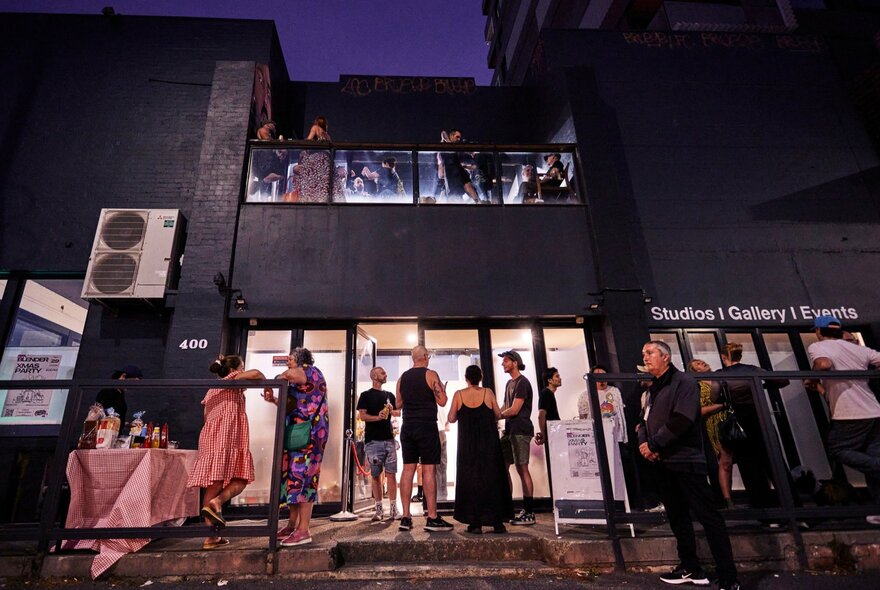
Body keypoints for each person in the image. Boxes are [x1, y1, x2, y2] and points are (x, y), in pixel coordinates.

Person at [639, 341, 740, 590]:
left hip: (686, 461)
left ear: (665, 356)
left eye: (650, 353)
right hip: (663, 462)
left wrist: (654, 444)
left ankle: (728, 577)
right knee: (677, 517)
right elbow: (642, 421)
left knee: (708, 516)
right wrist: (645, 443)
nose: (645, 357)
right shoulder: (653, 389)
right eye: (644, 354)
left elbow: (683, 419)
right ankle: (690, 567)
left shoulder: (683, 382)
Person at [187, 355, 269, 550]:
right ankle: (217, 502)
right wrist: (267, 384)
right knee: (241, 478)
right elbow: (257, 374)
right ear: (236, 369)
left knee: (214, 484)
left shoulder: (212, 390)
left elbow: (206, 417)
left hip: (209, 437)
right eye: (242, 367)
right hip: (228, 435)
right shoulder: (233, 380)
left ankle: (211, 537)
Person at [807, 315, 880, 524]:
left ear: (819, 332)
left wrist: (811, 377)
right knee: (870, 458)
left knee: (836, 449)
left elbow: (822, 364)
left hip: (849, 414)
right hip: (874, 411)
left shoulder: (820, 347)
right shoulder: (859, 349)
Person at [712, 342, 792, 516]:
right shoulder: (753, 369)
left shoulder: (720, 375)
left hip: (739, 422)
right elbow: (782, 380)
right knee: (774, 462)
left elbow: (714, 396)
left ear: (724, 358)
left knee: (750, 466)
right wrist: (763, 387)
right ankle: (793, 508)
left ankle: (765, 512)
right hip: (760, 417)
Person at [264, 347, 330, 547]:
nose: (288, 363)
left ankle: (304, 530)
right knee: (293, 476)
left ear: (301, 361)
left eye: (290, 359)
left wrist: (278, 378)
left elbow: (290, 374)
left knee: (305, 477)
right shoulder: (298, 382)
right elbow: (294, 406)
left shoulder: (310, 371)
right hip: (297, 433)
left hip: (311, 434)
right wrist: (275, 400)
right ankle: (292, 524)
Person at [447, 365, 513, 534]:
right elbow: (498, 414)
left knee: (471, 481)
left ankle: (474, 523)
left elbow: (451, 418)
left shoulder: (459, 395)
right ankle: (497, 522)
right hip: (489, 444)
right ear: (480, 377)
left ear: (466, 378)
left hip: (468, 446)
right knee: (492, 479)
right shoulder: (488, 393)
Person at [396, 345, 454, 532]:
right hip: (427, 427)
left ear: (413, 358)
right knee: (429, 470)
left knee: (408, 469)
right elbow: (443, 401)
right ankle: (432, 517)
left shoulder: (402, 378)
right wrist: (441, 390)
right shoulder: (431, 375)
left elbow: (398, 404)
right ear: (426, 357)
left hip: (408, 427)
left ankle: (406, 517)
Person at [356, 366, 400, 522]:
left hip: (389, 439)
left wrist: (390, 410)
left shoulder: (389, 395)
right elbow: (362, 416)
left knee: (391, 474)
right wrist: (378, 417)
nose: (386, 374)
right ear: (374, 376)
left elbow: (397, 412)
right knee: (376, 475)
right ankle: (379, 509)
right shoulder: (365, 395)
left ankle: (394, 509)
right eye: (382, 372)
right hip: (373, 441)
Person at [689, 359, 734, 508]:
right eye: (697, 364)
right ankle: (726, 498)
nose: (702, 364)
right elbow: (699, 410)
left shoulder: (720, 379)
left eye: (701, 362)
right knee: (724, 460)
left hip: (730, 420)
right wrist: (721, 405)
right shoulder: (698, 386)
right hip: (714, 423)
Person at [498, 350, 536, 525]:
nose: (503, 364)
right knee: (503, 465)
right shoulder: (509, 384)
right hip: (510, 430)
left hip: (521, 429)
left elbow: (514, 409)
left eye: (506, 361)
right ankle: (507, 506)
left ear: (515, 362)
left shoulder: (522, 383)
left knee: (522, 468)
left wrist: (496, 416)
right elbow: (505, 406)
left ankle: (529, 511)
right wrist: (494, 413)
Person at [440, 129, 480, 203]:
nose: (458, 139)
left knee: (468, 186)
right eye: (457, 137)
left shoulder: (457, 147)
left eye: (459, 137)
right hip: (452, 173)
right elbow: (443, 132)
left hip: (459, 170)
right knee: (455, 193)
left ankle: (478, 202)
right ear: (451, 136)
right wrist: (448, 142)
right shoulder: (444, 145)